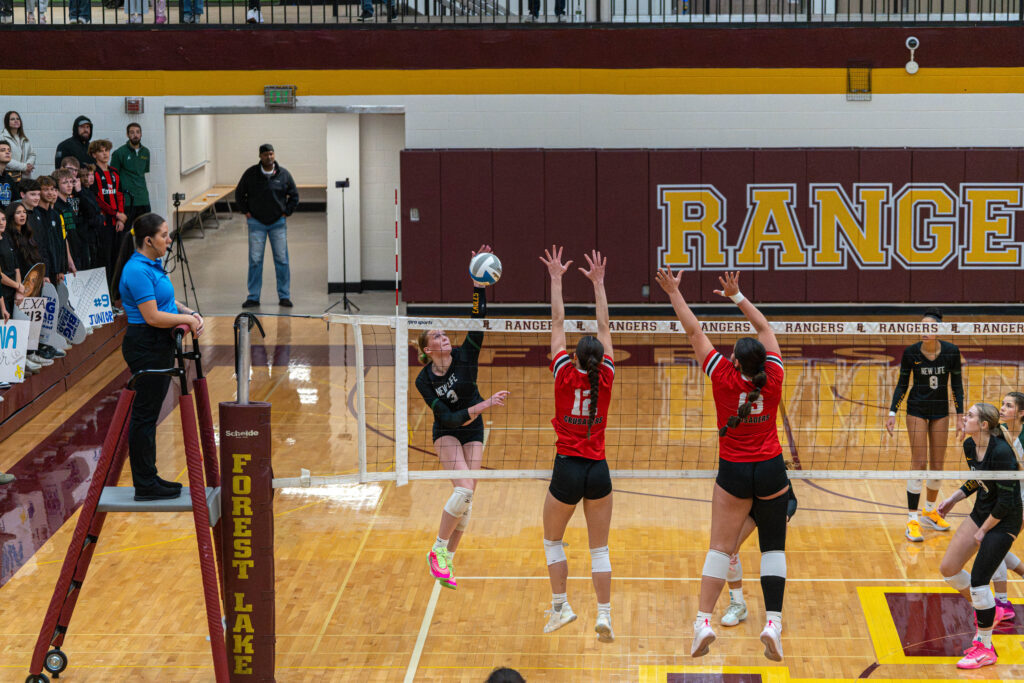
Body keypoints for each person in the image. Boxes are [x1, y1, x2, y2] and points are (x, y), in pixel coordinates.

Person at [656, 269, 788, 661]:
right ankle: (773, 625)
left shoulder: (723, 377)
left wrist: (675, 292)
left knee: (720, 548)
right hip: (771, 469)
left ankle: (702, 623)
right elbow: (763, 326)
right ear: (762, 361)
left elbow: (695, 332)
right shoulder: (775, 375)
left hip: (733, 471)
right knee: (773, 548)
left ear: (733, 360)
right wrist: (737, 296)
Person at [414, 246, 508, 590]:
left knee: (469, 497)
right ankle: (437, 549)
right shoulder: (424, 380)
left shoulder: (466, 354)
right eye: (438, 336)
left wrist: (477, 287)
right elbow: (450, 419)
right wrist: (484, 405)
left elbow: (477, 321)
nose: (445, 337)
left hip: (475, 430)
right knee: (465, 489)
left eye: (445, 333)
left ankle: (447, 560)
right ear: (427, 349)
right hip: (448, 433)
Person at [539, 246, 617, 642]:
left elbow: (557, 320)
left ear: (572, 357)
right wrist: (599, 284)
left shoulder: (561, 374)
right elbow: (605, 328)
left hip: (567, 468)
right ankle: (604, 615)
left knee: (553, 539)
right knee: (599, 549)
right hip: (598, 469)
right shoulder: (605, 377)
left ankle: (561, 606)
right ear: (602, 360)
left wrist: (556, 278)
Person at [114, 212, 204, 501]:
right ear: (149, 240)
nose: (169, 239)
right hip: (146, 344)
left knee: (149, 414)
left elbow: (164, 299)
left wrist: (186, 312)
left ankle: (149, 476)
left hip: (158, 344)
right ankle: (144, 484)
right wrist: (187, 323)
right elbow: (152, 316)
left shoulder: (152, 264)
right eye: (165, 235)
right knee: (145, 415)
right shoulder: (137, 270)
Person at [937, 403, 1023, 669]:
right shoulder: (969, 446)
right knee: (949, 569)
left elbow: (1007, 501)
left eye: (971, 415)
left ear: (984, 425)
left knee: (978, 580)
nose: (965, 418)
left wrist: (984, 530)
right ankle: (990, 609)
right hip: (982, 511)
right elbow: (978, 479)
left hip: (1004, 519)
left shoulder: (1001, 453)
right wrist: (955, 497)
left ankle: (985, 648)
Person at [886, 308, 965, 543]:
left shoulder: (951, 352)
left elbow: (957, 386)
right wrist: (892, 411)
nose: (924, 331)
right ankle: (912, 519)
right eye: (921, 327)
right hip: (917, 409)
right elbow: (902, 385)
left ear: (938, 330)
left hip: (941, 411)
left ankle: (930, 512)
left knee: (938, 465)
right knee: (919, 463)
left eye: (929, 327)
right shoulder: (911, 353)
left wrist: (960, 414)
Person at [720, 486, 797, 627]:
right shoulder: (738, 467)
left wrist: (785, 516)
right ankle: (738, 604)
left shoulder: (772, 467)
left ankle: (774, 618)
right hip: (747, 511)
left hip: (771, 510)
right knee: (728, 551)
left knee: (773, 553)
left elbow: (792, 499)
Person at [235, 143, 299, 309]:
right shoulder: (251, 174)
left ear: (274, 155)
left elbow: (294, 196)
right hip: (256, 223)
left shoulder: (284, 175)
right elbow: (239, 194)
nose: (269, 157)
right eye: (265, 155)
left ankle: (284, 296)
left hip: (278, 223)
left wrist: (286, 212)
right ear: (260, 157)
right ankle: (253, 297)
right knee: (255, 261)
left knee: (282, 260)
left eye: (271, 154)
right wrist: (246, 212)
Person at [990, 391, 1024, 615]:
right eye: (1002, 404)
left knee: (993, 545)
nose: (1002, 408)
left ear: (1021, 413)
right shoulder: (999, 433)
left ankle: (1002, 602)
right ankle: (1001, 601)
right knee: (994, 545)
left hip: (1022, 501)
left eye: (1008, 406)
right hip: (1010, 497)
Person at [90, 140, 128, 288]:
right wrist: (115, 214)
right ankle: (106, 294)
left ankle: (116, 292)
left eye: (107, 150)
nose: (105, 154)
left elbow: (119, 195)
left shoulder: (114, 172)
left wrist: (121, 216)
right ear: (94, 154)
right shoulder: (93, 173)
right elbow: (97, 198)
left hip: (117, 222)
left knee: (117, 258)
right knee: (105, 260)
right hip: (104, 223)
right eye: (101, 151)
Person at [32, 176, 73, 284]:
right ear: (39, 192)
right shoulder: (34, 214)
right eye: (45, 189)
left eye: (52, 189)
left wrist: (60, 269)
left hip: (56, 270)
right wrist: (44, 273)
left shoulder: (55, 215)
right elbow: (39, 246)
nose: (50, 193)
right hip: (41, 270)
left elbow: (60, 243)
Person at [111, 123, 152, 230]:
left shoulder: (146, 152)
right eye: (132, 132)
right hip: (127, 201)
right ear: (127, 135)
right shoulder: (119, 153)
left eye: (138, 132)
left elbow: (143, 172)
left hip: (143, 199)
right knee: (126, 233)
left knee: (146, 231)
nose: (135, 135)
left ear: (141, 134)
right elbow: (113, 176)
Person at [55, 169, 88, 271]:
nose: (69, 185)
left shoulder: (68, 204)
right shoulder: (56, 206)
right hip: (65, 253)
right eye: (65, 183)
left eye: (71, 182)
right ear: (57, 185)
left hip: (76, 249)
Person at [77, 164, 104, 270]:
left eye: (92, 174)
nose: (91, 177)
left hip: (94, 233)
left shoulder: (90, 191)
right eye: (88, 175)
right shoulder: (81, 193)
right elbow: (90, 212)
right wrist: (99, 217)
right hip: (86, 234)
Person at [0, 112, 35, 182]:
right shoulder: (2, 137)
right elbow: (5, 159)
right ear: (7, 122)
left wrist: (29, 165)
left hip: (25, 176)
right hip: (9, 176)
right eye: (12, 119)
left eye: (18, 119)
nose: (16, 121)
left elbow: (32, 154)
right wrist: (24, 167)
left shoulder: (24, 138)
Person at [0, 140, 15, 209]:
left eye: (9, 150)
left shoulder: (9, 179)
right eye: (3, 150)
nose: (7, 152)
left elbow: (15, 201)